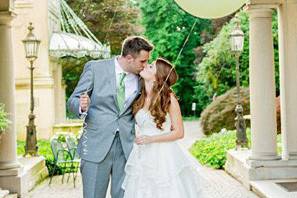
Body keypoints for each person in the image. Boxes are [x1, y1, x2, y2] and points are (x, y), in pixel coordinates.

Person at [67, 36, 154, 198]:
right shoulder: (95, 69)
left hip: (126, 148)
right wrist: (81, 106)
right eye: (142, 61)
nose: (145, 65)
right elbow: (72, 100)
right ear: (129, 58)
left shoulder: (142, 78)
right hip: (95, 145)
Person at [122, 58, 204, 198]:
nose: (146, 66)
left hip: (163, 154)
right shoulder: (139, 97)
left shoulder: (169, 98)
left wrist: (151, 139)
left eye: (151, 66)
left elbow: (179, 132)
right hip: (141, 152)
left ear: (157, 76)